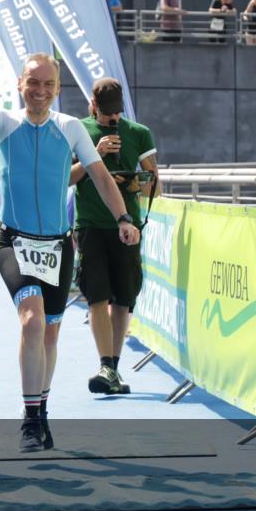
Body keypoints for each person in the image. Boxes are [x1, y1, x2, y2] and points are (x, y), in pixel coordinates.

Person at [0, 21, 142, 453]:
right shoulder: (5, 124)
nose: (40, 90)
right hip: (15, 243)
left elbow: (99, 175)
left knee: (50, 336)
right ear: (21, 85)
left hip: (58, 246)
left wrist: (123, 216)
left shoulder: (71, 128)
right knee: (31, 320)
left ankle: (41, 409)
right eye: (33, 83)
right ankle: (29, 418)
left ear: (58, 87)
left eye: (48, 84)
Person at [71, 78, 159, 397]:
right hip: (91, 224)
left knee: (123, 299)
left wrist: (139, 184)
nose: (113, 119)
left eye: (117, 113)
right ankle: (105, 364)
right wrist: (93, 154)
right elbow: (66, 179)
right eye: (107, 113)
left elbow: (155, 185)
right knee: (97, 296)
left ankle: (114, 368)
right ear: (93, 105)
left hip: (129, 226)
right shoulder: (77, 130)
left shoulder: (138, 133)